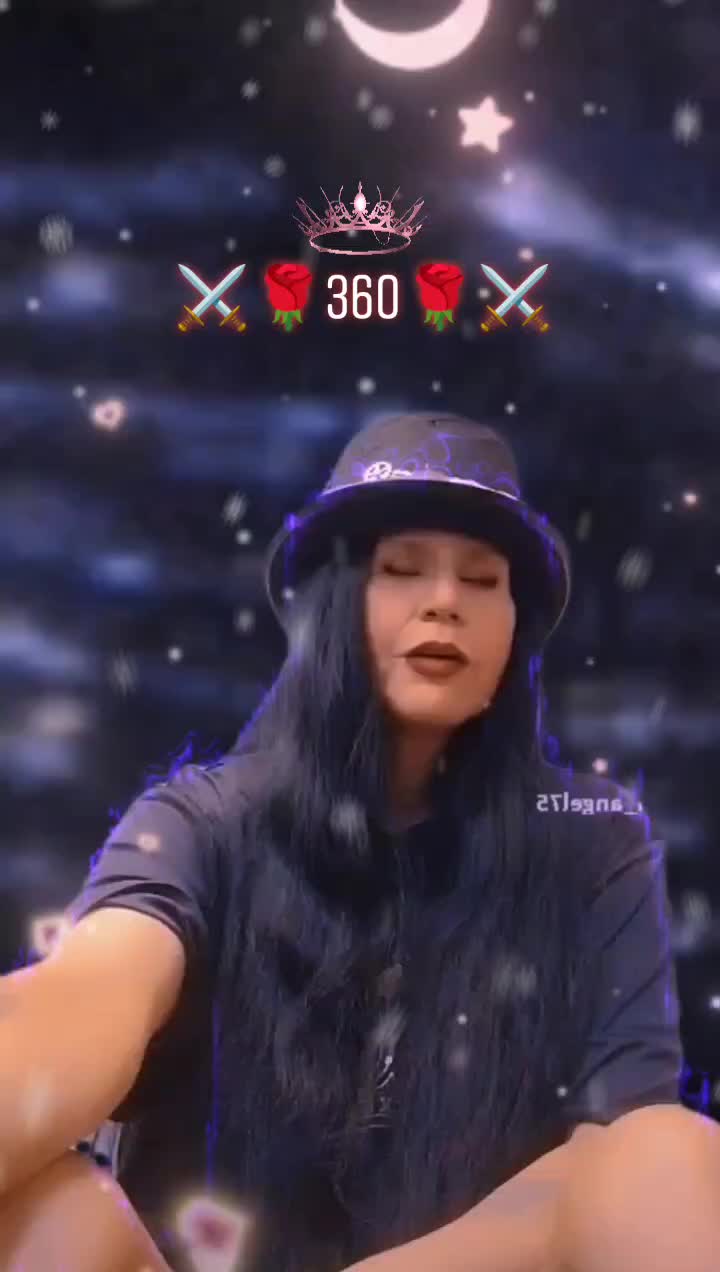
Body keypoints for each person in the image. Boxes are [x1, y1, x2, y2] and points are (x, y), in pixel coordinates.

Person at [0, 412, 691, 1272]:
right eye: (400, 569)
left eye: (483, 580)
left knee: (668, 1147)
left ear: (517, 629)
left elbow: (623, 1148)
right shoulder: (200, 819)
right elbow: (88, 995)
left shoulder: (591, 840)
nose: (445, 601)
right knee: (55, 1209)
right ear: (332, 601)